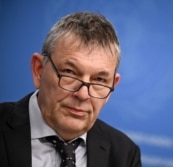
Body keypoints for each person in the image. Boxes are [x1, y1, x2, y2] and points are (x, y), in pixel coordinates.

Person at [0, 12, 141, 167]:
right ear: (39, 70)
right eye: (69, 72)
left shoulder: (124, 155)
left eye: (99, 80)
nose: (83, 94)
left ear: (112, 86)